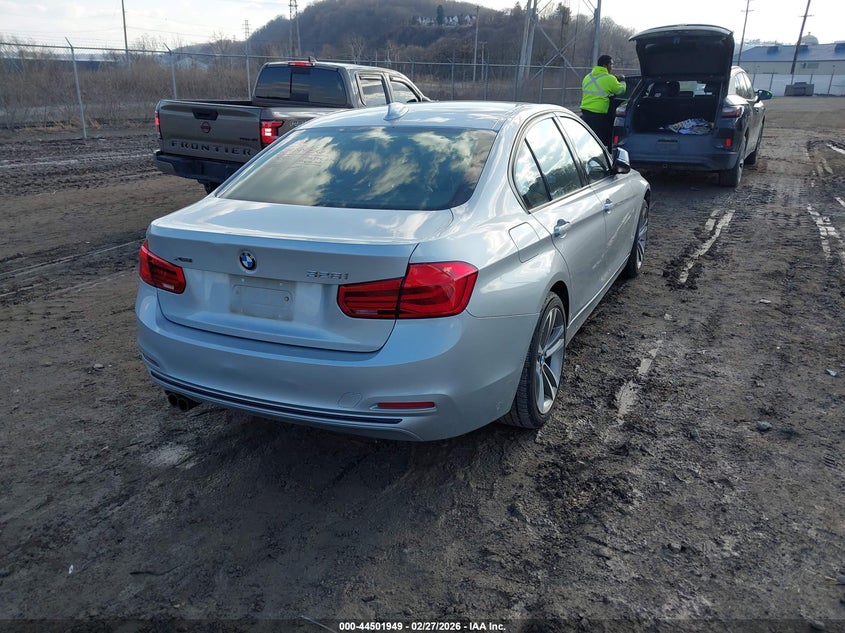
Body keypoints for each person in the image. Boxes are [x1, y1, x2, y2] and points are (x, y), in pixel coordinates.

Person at [580, 54, 626, 149]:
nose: (612, 67)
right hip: (599, 116)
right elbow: (620, 91)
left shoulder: (587, 77)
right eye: (611, 64)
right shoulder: (610, 78)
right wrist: (622, 81)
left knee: (587, 141)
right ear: (606, 65)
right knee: (608, 140)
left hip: (584, 115)